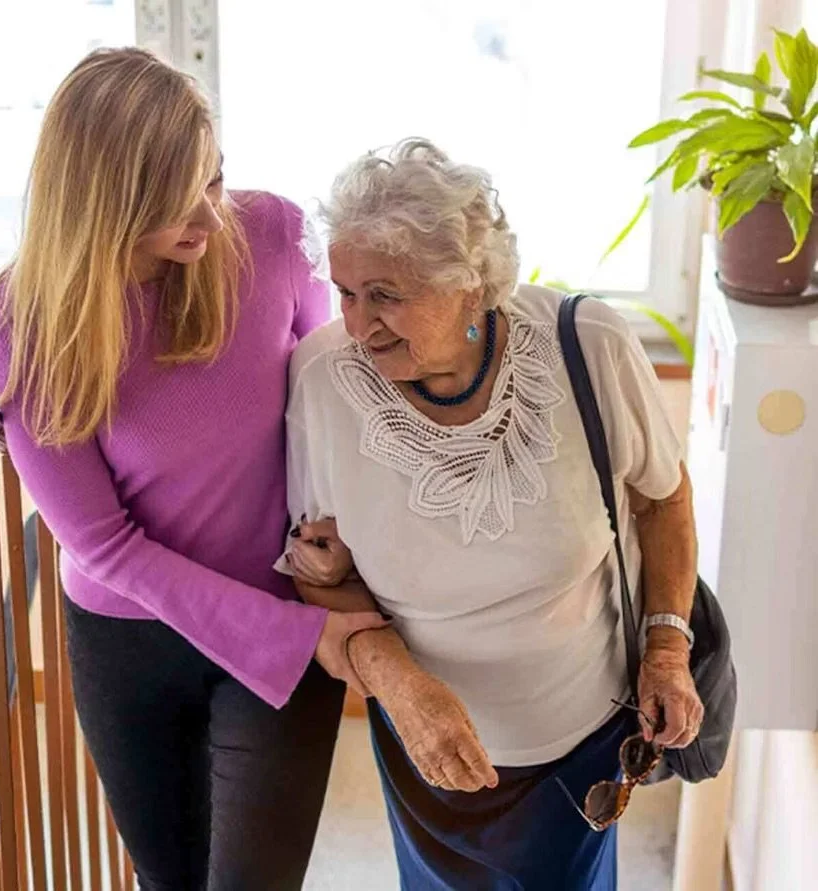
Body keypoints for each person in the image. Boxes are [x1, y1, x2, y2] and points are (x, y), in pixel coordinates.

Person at [0, 47, 388, 891]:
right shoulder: (28, 318)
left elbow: (337, 395)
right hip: (130, 637)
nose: (208, 215)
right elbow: (106, 546)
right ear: (105, 201)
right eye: (175, 201)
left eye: (212, 178)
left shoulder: (268, 234)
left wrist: (338, 548)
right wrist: (301, 635)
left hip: (283, 605)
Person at [278, 138, 704, 890]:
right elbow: (322, 569)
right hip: (425, 747)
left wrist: (667, 646)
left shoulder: (589, 346)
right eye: (345, 293)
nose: (359, 324)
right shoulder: (320, 378)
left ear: (470, 286)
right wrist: (401, 687)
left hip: (581, 741)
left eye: (386, 295)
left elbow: (663, 497)